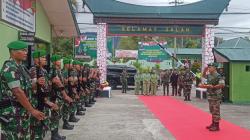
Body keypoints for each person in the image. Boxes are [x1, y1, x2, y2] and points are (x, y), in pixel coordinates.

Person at [0, 41, 45, 139]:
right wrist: (32, 110)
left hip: (22, 111)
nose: (26, 53)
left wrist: (36, 83)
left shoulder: (22, 68)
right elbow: (17, 92)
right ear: (13, 52)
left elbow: (28, 86)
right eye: (23, 50)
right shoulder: (10, 68)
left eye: (26, 50)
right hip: (13, 113)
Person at [200, 62, 225, 131]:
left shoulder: (218, 76)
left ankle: (217, 126)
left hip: (216, 96)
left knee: (216, 110)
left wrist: (213, 87)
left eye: (210, 67)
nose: (209, 68)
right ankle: (213, 123)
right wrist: (205, 70)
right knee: (212, 110)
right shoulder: (209, 75)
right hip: (210, 95)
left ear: (214, 68)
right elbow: (203, 76)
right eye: (208, 67)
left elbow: (222, 85)